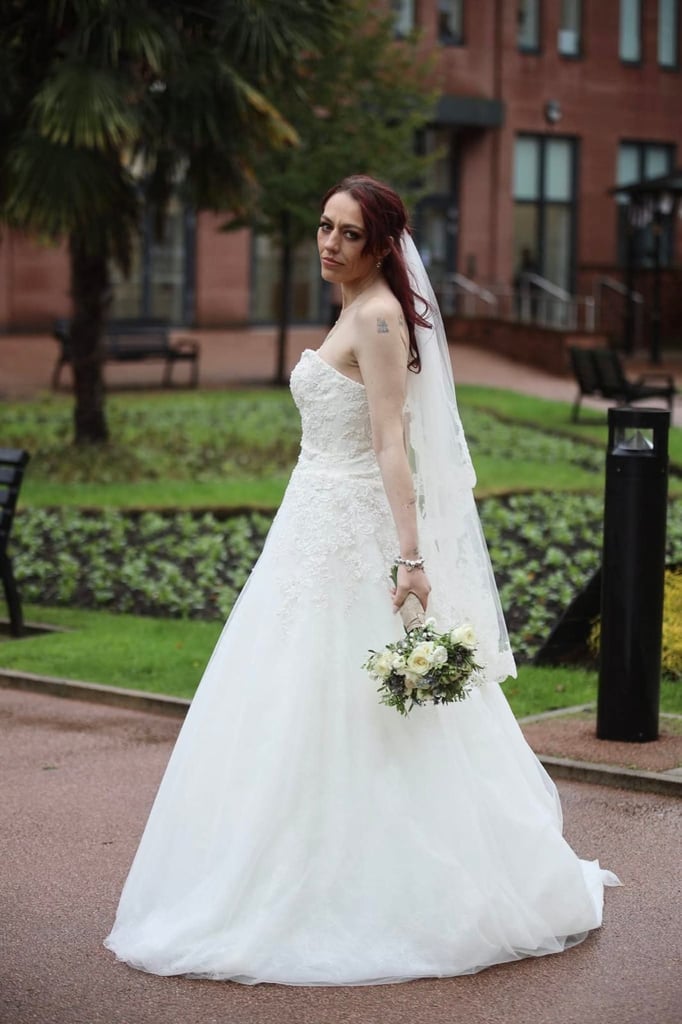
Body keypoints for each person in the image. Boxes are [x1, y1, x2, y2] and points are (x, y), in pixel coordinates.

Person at [105, 175, 619, 986]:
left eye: (348, 233)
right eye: (323, 227)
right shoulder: (354, 306)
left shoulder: (376, 316)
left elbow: (391, 444)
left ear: (382, 246)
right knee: (289, 698)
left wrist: (411, 560)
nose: (329, 243)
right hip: (310, 521)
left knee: (360, 702)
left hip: (351, 527)